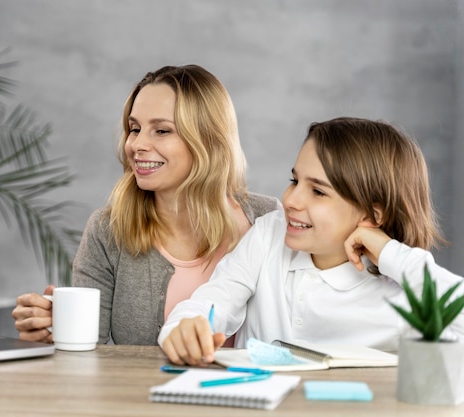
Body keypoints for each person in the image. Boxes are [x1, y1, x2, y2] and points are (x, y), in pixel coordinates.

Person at [159, 117, 464, 365]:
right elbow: (214, 299)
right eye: (294, 181)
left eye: (318, 192)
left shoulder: (399, 292)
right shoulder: (270, 234)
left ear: (372, 216)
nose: (290, 200)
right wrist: (185, 329)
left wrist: (391, 253)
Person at [12, 65, 281, 345]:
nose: (137, 144)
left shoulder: (268, 222)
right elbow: (87, 355)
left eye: (162, 130)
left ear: (209, 139)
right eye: (135, 128)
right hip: (138, 390)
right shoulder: (108, 231)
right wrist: (53, 332)